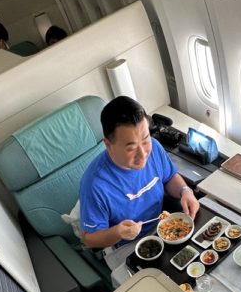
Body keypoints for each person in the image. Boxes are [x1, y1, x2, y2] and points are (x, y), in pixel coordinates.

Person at [79, 96, 200, 249]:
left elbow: (169, 177)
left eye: (145, 140)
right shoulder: (94, 185)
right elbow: (89, 239)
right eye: (131, 148)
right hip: (125, 245)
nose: (143, 154)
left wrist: (185, 191)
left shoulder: (154, 147)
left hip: (163, 229)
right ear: (108, 145)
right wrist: (117, 233)